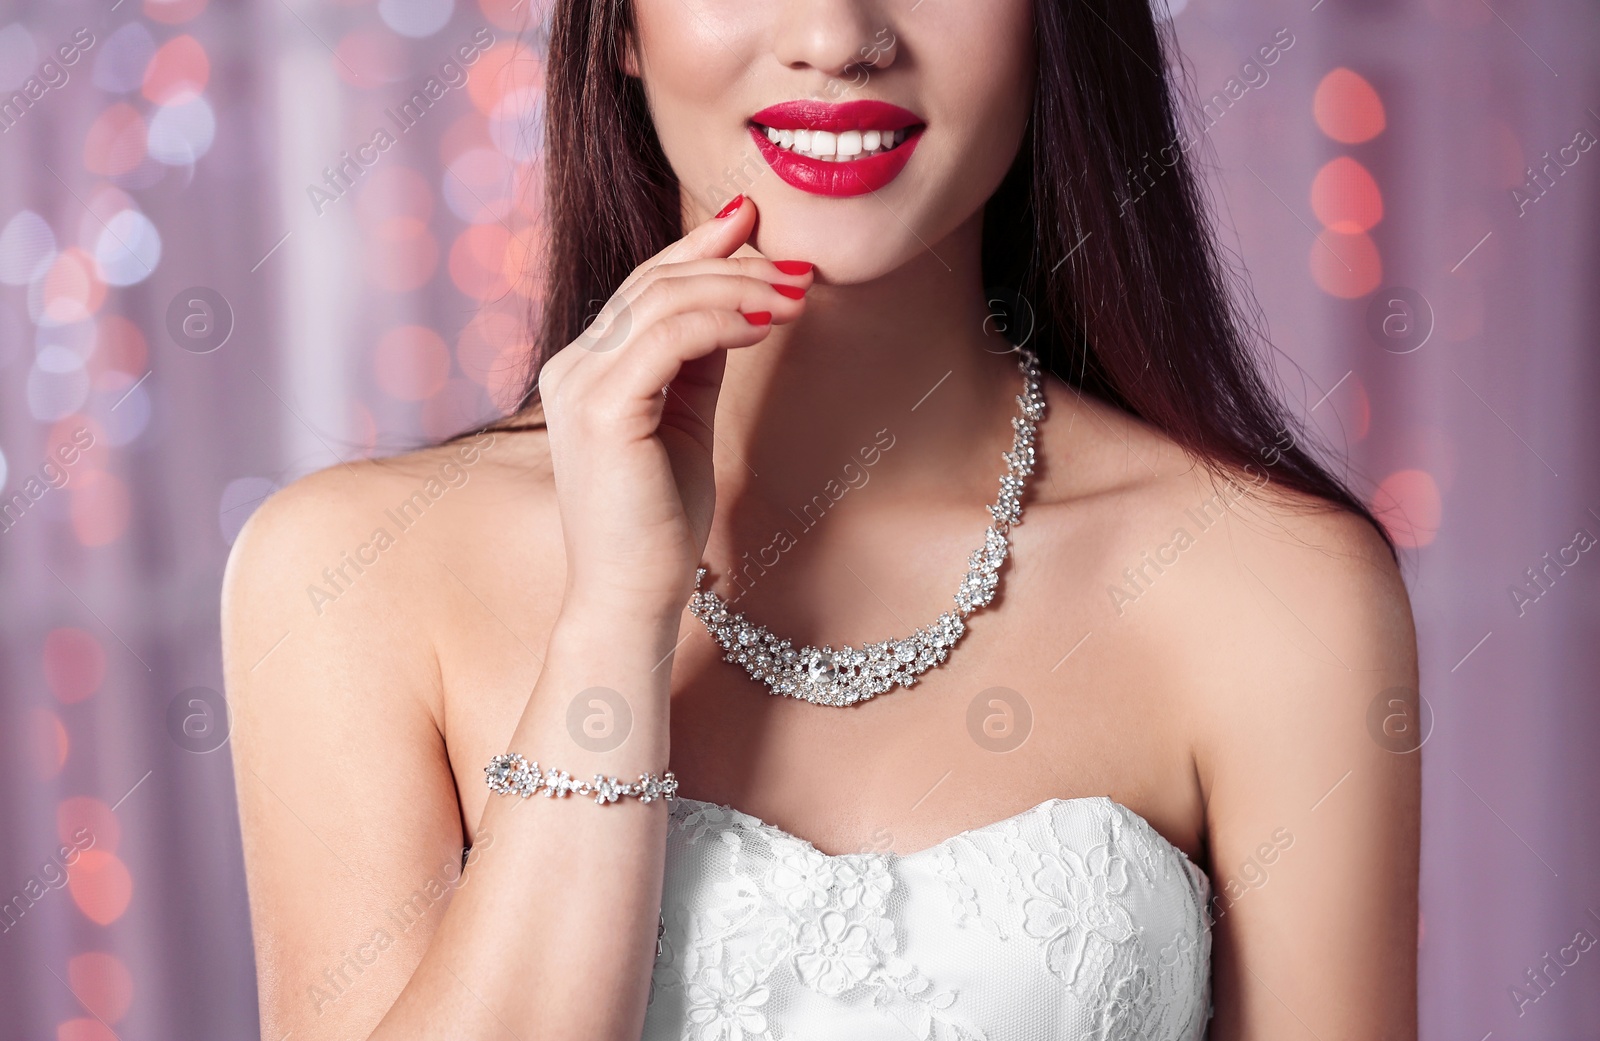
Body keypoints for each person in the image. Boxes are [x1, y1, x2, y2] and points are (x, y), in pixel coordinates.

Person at [222, 0, 1420, 1038]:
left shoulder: (1269, 587)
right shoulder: (349, 575)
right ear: (619, 30)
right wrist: (612, 625)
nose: (838, 39)